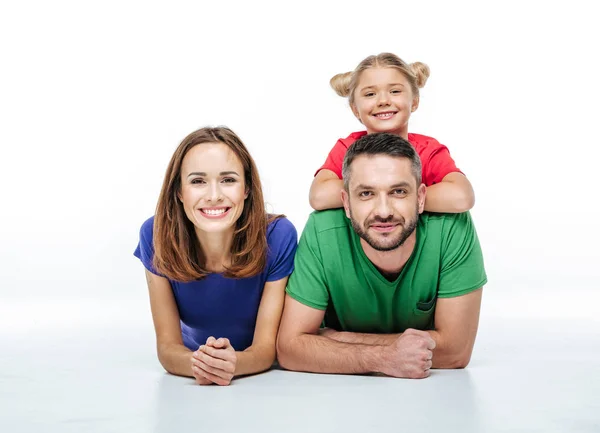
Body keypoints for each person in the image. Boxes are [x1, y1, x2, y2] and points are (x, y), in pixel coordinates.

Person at [277, 132, 487, 379]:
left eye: (398, 192)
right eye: (366, 194)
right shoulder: (322, 231)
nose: (384, 211)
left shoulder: (452, 228)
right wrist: (385, 357)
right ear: (345, 202)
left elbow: (455, 352)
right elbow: (290, 349)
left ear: (421, 198)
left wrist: (338, 340)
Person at [134, 126, 297, 386]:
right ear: (179, 191)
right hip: (197, 357)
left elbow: (265, 350)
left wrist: (233, 365)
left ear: (246, 189)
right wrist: (204, 364)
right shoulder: (155, 234)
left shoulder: (278, 236)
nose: (213, 196)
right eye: (198, 181)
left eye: (228, 180)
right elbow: (168, 349)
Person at [310, 52, 474, 214]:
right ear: (355, 109)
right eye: (370, 94)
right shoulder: (346, 147)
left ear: (415, 102)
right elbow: (319, 196)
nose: (383, 101)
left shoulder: (428, 150)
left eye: (395, 91)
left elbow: (461, 197)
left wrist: (389, 194)